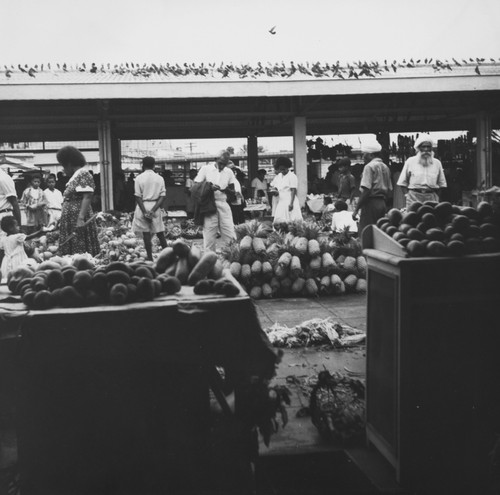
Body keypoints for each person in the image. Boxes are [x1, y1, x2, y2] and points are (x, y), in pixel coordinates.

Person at [56, 145, 100, 256]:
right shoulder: (75, 176)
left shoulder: (83, 173)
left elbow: (88, 196)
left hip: (76, 217)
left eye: (63, 165)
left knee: (79, 244)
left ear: (69, 164)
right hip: (71, 217)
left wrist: (80, 218)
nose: (63, 169)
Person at [193, 149, 236, 252]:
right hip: (209, 204)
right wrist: (209, 187)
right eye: (220, 163)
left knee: (229, 233)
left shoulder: (229, 172)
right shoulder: (205, 169)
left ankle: (232, 256)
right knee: (209, 234)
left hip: (223, 203)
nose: (222, 167)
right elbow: (195, 186)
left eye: (224, 164)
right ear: (215, 159)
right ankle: (209, 259)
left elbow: (232, 189)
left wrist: (228, 190)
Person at [353, 138, 393, 236]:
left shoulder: (369, 167)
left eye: (364, 154)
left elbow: (366, 190)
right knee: (379, 232)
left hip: (370, 203)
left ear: (371, 155)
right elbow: (390, 190)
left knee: (365, 232)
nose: (363, 157)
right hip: (382, 203)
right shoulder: (385, 167)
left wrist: (356, 209)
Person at [131, 156, 168, 261]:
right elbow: (163, 196)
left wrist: (144, 212)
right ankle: (168, 255)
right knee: (160, 233)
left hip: (143, 205)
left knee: (146, 233)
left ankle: (150, 258)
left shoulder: (139, 178)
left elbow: (137, 196)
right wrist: (153, 210)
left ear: (143, 165)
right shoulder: (160, 178)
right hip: (155, 206)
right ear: (154, 165)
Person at [397, 134, 447, 209]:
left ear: (431, 148)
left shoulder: (437, 163)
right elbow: (402, 182)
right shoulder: (410, 161)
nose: (426, 149)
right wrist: (407, 196)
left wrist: (437, 197)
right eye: (423, 146)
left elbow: (442, 184)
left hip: (431, 198)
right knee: (412, 219)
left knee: (430, 219)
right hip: (413, 197)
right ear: (419, 148)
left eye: (428, 147)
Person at [0, 216, 43, 282]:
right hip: (18, 260)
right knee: (20, 275)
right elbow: (29, 237)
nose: (18, 227)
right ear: (11, 228)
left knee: (9, 277)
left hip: (6, 261)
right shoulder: (17, 237)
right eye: (16, 225)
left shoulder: (3, 239)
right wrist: (40, 231)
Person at [271, 156, 303, 225]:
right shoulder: (279, 176)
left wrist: (291, 204)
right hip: (281, 202)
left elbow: (293, 190)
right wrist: (275, 192)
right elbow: (277, 188)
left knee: (293, 220)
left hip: (290, 200)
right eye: (280, 169)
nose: (282, 171)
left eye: (284, 169)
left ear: (287, 167)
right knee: (280, 220)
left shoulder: (292, 176)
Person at [0, 168, 22, 267]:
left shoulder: (3, 178)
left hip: (4, 217)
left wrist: (18, 226)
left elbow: (14, 202)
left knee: (4, 249)